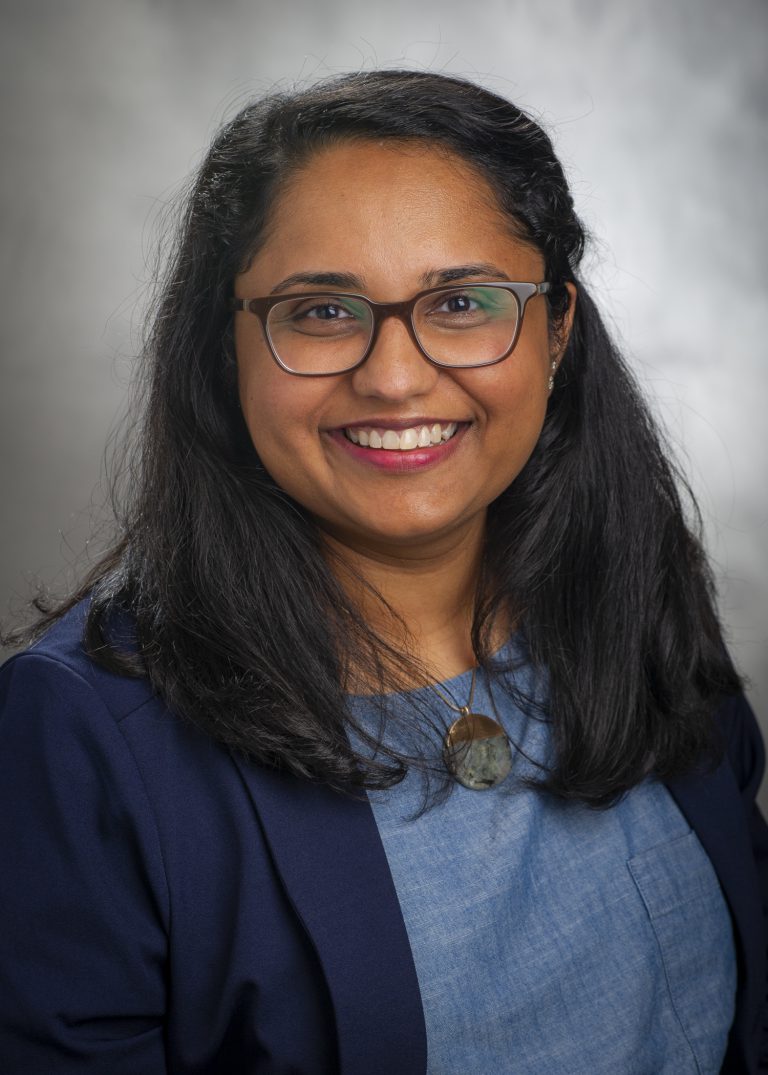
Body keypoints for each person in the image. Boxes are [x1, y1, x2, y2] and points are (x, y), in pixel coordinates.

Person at [0, 69, 765, 1075]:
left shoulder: (636, 599)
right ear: (226, 349)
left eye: (460, 301)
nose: (394, 377)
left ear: (557, 333)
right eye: (320, 312)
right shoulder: (78, 733)